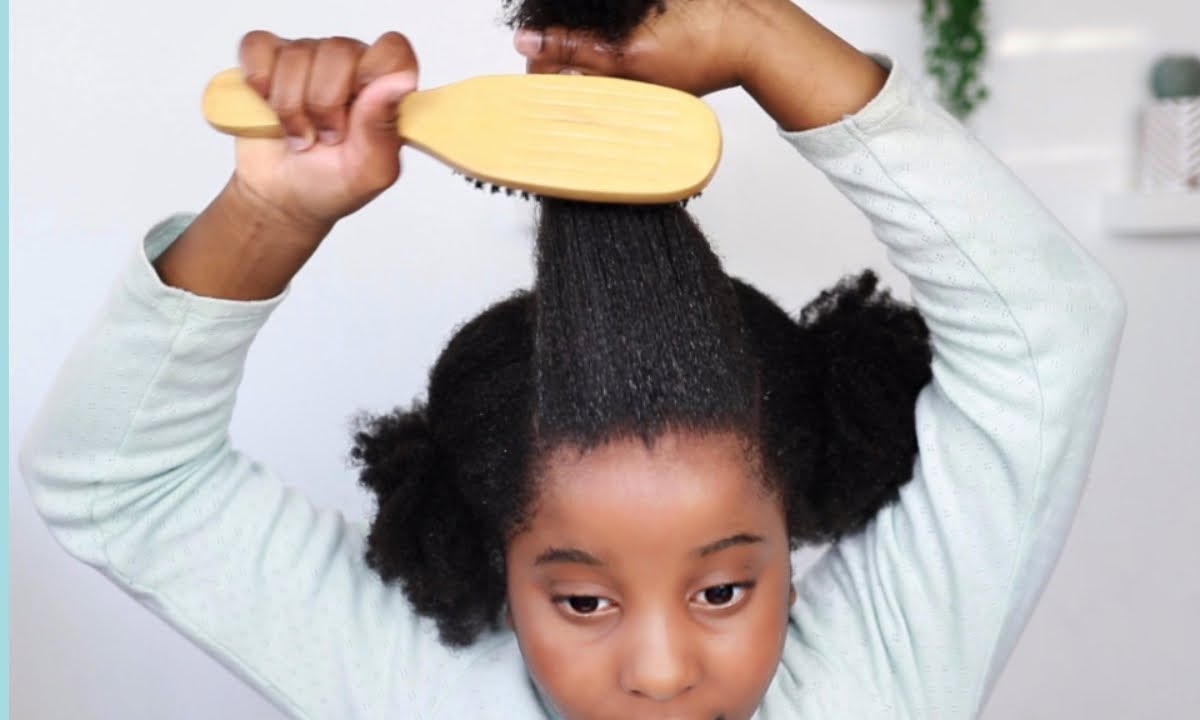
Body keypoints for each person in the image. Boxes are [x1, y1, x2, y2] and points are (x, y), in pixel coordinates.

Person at [19, 0, 1126, 718]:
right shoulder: (419, 688)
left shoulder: (881, 678)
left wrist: (761, 37)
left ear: (796, 532)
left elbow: (1047, 334)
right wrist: (267, 213)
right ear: (492, 559)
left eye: (727, 587)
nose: (659, 673)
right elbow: (119, 482)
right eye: (583, 601)